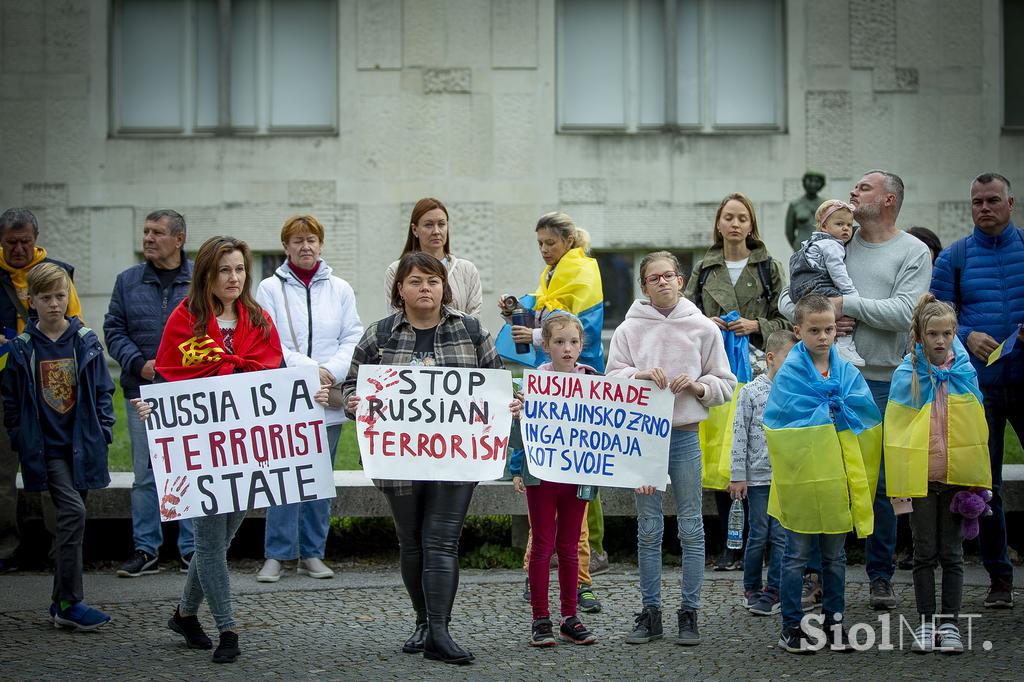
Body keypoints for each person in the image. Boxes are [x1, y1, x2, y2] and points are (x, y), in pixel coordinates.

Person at [342, 252, 519, 665]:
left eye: (433, 281)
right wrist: (354, 401)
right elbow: (352, 385)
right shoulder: (379, 334)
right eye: (416, 281)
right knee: (412, 542)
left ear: (445, 288)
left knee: (442, 540)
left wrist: (511, 403)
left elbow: (498, 383)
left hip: (457, 459)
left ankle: (439, 630)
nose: (426, 288)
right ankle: (423, 621)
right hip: (399, 458)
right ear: (399, 290)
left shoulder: (472, 330)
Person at [777, 169, 932, 610]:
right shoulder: (832, 243)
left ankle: (879, 575)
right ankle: (818, 576)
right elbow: (790, 299)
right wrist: (817, 315)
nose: (852, 194)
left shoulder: (913, 251)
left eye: (863, 188)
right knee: (823, 478)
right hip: (824, 379)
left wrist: (844, 305)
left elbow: (906, 311)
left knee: (879, 483)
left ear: (888, 199)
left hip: (882, 381)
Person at [132, 236, 284, 664]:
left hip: (245, 447)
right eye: (224, 270)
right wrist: (153, 406)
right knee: (211, 542)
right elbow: (170, 377)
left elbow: (272, 376)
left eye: (239, 270)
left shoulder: (257, 317)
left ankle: (183, 614)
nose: (233, 278)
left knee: (223, 536)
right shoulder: (186, 320)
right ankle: (228, 628)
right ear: (207, 275)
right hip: (198, 449)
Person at [607, 251, 736, 646]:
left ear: (680, 280)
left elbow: (725, 383)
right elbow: (612, 380)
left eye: (668, 275)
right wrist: (638, 375)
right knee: (648, 527)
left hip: (684, 434)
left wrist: (698, 387)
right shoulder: (628, 330)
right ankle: (650, 611)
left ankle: (689, 611)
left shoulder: (703, 328)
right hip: (643, 439)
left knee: (692, 525)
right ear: (644, 286)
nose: (662, 282)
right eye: (653, 278)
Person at [766, 294, 882, 654]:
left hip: (837, 478)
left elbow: (864, 412)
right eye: (814, 330)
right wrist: (826, 410)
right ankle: (792, 626)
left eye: (829, 329)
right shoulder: (790, 374)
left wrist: (838, 408)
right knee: (796, 555)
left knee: (835, 556)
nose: (823, 336)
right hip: (802, 478)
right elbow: (779, 420)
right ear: (798, 331)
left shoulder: (846, 370)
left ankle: (834, 623)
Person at [1, 264, 114, 630]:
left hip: (81, 446)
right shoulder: (23, 349)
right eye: (45, 297)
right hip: (47, 449)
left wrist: (106, 430)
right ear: (31, 301)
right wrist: (21, 437)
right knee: (72, 515)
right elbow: (12, 401)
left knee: (71, 523)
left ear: (69, 296)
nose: (54, 303)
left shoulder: (85, 340)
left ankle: (58, 601)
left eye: (60, 295)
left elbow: (102, 391)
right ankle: (70, 603)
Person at [930, 171, 1023, 609]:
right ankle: (999, 579)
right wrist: (966, 334)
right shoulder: (955, 258)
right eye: (977, 202)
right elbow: (935, 317)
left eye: (992, 200)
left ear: (1011, 202)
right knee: (983, 488)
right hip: (975, 389)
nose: (984, 208)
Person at [683, 193, 789, 571]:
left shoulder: (768, 267)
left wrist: (756, 325)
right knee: (721, 455)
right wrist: (705, 324)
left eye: (742, 217)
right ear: (718, 223)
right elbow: (683, 314)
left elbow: (788, 320)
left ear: (751, 224)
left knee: (755, 452)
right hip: (715, 370)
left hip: (759, 369)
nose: (735, 224)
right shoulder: (705, 269)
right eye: (728, 217)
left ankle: (764, 543)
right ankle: (730, 545)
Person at [255, 215, 363, 583]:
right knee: (284, 475)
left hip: (327, 393)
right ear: (285, 247)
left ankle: (313, 552)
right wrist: (308, 368)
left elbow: (353, 337)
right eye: (297, 240)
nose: (305, 246)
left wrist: (330, 371)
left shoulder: (340, 288)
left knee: (319, 476)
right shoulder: (269, 288)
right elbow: (268, 337)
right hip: (287, 393)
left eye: (312, 240)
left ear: (321, 244)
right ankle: (277, 554)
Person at [884, 294, 992, 654]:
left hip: (956, 479)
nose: (940, 340)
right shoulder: (907, 374)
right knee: (924, 552)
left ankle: (951, 624)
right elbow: (896, 432)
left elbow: (977, 430)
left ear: (955, 333)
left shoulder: (964, 372)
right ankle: (926, 623)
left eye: (947, 333)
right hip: (920, 480)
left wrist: (976, 480)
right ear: (919, 334)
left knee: (953, 553)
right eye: (932, 333)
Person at [104, 210, 195, 578]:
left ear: (179, 239)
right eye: (145, 231)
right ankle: (146, 549)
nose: (147, 238)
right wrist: (138, 363)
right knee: (146, 474)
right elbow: (113, 330)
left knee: (189, 467)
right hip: (141, 390)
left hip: (189, 394)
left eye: (157, 232)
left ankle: (192, 549)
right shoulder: (127, 281)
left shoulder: (199, 281)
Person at [0, 208, 82, 574]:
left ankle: (58, 545)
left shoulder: (57, 272)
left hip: (51, 385)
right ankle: (5, 546)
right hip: (6, 385)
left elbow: (75, 325)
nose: (18, 249)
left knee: (56, 464)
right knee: (3, 470)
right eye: (10, 242)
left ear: (36, 240)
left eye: (25, 242)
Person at [511, 313, 598, 647]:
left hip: (578, 473)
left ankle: (569, 617)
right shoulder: (531, 383)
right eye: (559, 342)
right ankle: (540, 618)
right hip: (541, 474)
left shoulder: (592, 381)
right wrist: (518, 468)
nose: (567, 348)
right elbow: (519, 430)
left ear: (581, 346)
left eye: (573, 342)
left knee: (570, 545)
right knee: (543, 545)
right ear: (545, 345)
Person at [727, 330, 797, 617]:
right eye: (788, 358)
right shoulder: (751, 393)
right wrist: (737, 475)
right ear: (771, 358)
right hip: (757, 478)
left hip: (786, 479)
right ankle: (751, 586)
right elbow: (739, 436)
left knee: (781, 536)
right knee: (758, 533)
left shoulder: (796, 392)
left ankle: (775, 589)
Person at [498, 211, 605, 372]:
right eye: (540, 243)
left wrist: (534, 335)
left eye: (550, 243)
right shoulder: (551, 273)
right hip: (551, 369)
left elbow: (586, 329)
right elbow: (543, 320)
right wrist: (514, 312)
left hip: (580, 373)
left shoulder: (584, 271)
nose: (544, 249)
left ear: (569, 241)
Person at [789, 199, 865, 366]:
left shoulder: (811, 243)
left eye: (849, 224)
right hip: (817, 286)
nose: (845, 228)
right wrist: (851, 294)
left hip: (798, 289)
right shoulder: (832, 245)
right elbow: (838, 272)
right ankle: (844, 346)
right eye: (839, 224)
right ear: (824, 227)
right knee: (849, 306)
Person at [384, 198, 482, 316]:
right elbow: (395, 317)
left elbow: (475, 319)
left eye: (441, 224)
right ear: (415, 229)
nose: (436, 231)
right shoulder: (396, 270)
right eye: (428, 225)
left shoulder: (467, 270)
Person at [786, 171, 826, 251]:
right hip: (801, 246)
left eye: (817, 181)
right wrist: (796, 246)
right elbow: (789, 231)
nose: (813, 184)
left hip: (821, 247)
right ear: (804, 182)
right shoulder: (795, 204)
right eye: (810, 180)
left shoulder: (826, 204)